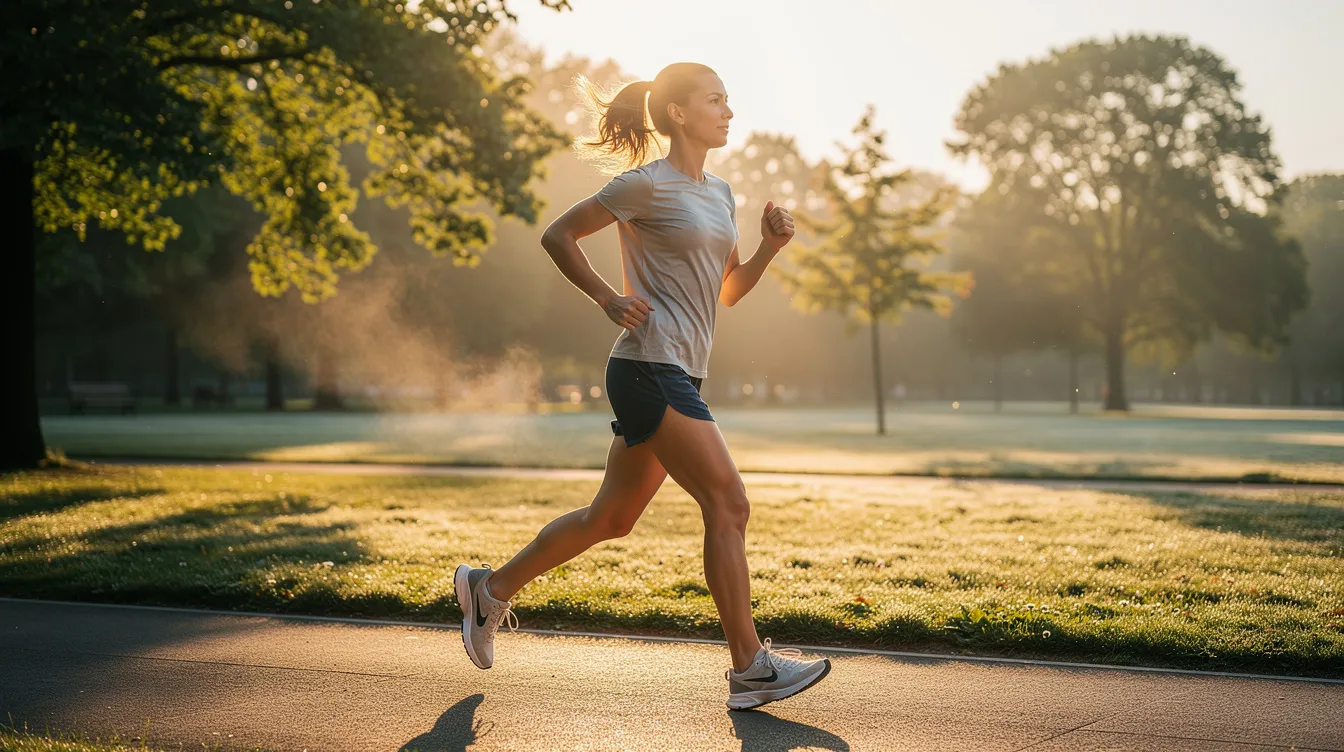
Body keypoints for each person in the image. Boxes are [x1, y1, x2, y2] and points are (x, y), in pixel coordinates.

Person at [454, 62, 831, 711]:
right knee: (729, 502)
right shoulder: (645, 186)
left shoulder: (721, 192)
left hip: (680, 372)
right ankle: (751, 668)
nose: (729, 111)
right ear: (679, 113)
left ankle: (488, 589)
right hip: (646, 368)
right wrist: (605, 295)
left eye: (729, 100)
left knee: (612, 518)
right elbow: (558, 233)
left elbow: (727, 291)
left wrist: (769, 248)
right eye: (716, 100)